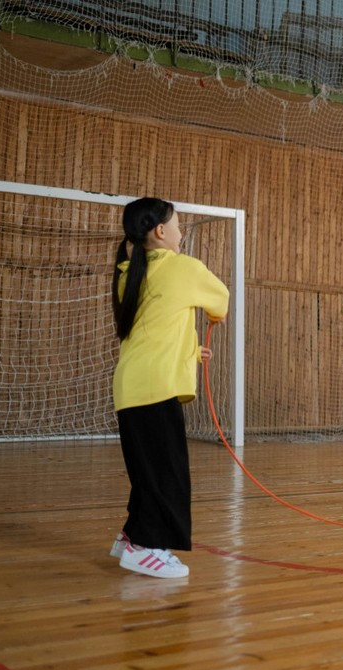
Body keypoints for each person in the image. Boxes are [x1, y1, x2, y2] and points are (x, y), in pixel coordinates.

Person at [108, 197, 229, 578]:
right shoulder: (183, 267)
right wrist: (211, 315)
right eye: (178, 224)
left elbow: (155, 327)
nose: (180, 231)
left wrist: (189, 349)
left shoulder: (128, 274)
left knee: (149, 470)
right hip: (156, 388)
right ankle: (146, 548)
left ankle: (131, 537)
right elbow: (221, 302)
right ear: (161, 231)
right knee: (167, 475)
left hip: (131, 387)